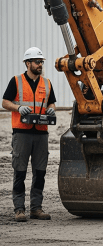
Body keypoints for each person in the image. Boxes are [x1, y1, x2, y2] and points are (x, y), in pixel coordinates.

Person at [2, 47, 56, 222]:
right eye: (37, 62)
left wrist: (51, 110)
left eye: (41, 62)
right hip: (22, 133)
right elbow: (4, 102)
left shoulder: (46, 83)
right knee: (20, 171)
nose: (40, 65)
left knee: (40, 172)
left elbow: (52, 103)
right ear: (28, 63)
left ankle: (36, 208)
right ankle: (19, 210)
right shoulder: (16, 81)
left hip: (41, 133)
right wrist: (18, 108)